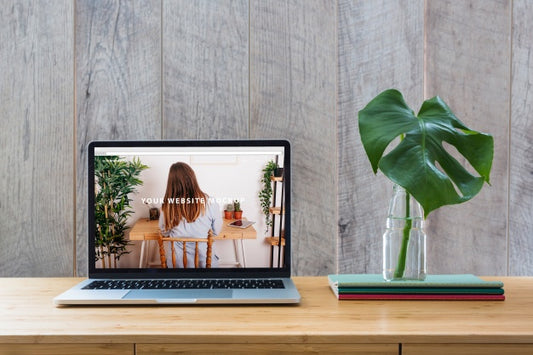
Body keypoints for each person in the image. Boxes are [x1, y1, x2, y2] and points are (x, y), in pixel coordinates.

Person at [159, 162, 222, 268]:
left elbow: (164, 233)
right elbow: (216, 231)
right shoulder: (210, 201)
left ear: (171, 183)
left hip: (177, 265)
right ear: (192, 179)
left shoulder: (167, 205)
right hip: (205, 263)